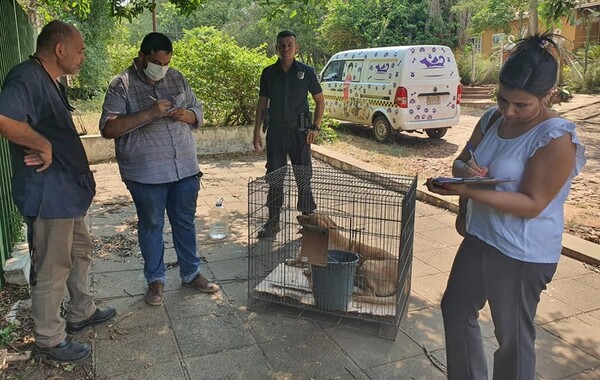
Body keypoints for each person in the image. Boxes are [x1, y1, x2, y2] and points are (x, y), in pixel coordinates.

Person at [426, 33, 586, 380]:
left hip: (521, 253)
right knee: (455, 309)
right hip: (482, 236)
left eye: (521, 105)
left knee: (512, 339)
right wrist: (462, 173)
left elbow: (533, 203)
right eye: (503, 100)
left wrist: (467, 189)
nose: (509, 111)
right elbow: (461, 161)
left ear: (549, 96)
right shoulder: (491, 120)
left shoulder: (556, 137)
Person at [0, 20, 116, 363]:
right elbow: (4, 119)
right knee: (52, 266)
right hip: (48, 195)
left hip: (66, 193)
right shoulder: (26, 76)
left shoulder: (49, 80)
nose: (82, 56)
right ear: (60, 49)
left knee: (80, 251)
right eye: (79, 50)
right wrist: (42, 144)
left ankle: (81, 310)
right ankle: (49, 339)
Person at [99, 32, 219, 307]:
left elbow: (197, 110)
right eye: (156, 62)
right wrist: (149, 113)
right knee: (152, 225)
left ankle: (191, 273)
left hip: (185, 168)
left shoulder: (176, 77)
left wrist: (187, 115)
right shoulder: (122, 85)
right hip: (146, 173)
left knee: (185, 222)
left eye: (166, 62)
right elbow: (108, 128)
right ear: (142, 58)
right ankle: (156, 280)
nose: (162, 68)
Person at [253, 30, 325, 238]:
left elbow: (320, 101)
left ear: (296, 48)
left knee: (303, 175)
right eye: (282, 45)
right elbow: (262, 104)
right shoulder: (268, 73)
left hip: (300, 133)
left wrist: (316, 127)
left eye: (289, 45)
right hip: (276, 131)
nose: (286, 49)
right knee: (275, 177)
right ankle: (273, 222)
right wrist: (256, 131)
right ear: (277, 48)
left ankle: (308, 222)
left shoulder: (306, 72)